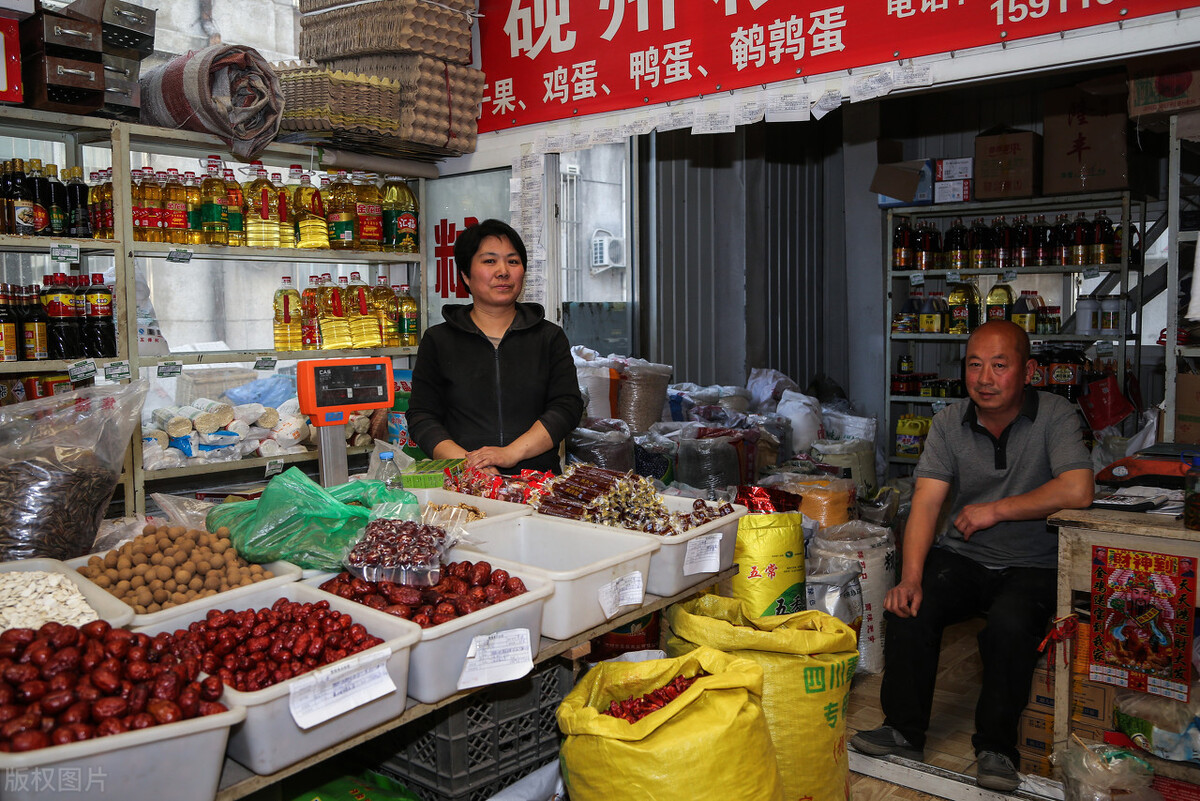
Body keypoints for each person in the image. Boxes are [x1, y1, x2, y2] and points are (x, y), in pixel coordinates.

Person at [850, 320, 1093, 792]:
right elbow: (925, 502)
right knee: (910, 606)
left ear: (1028, 372)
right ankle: (903, 730)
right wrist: (911, 577)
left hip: (1034, 563)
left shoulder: (1056, 415)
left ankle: (996, 748)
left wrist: (995, 510)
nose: (985, 378)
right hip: (965, 557)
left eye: (1000, 365)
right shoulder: (949, 422)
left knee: (1009, 624)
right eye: (975, 365)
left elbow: (1078, 488)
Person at [408, 218, 584, 475]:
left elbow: (566, 407)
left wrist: (510, 454)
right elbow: (422, 416)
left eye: (513, 261)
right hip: (464, 483)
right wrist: (470, 464)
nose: (503, 271)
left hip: (537, 483)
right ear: (466, 275)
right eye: (489, 261)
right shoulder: (439, 340)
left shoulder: (549, 337)